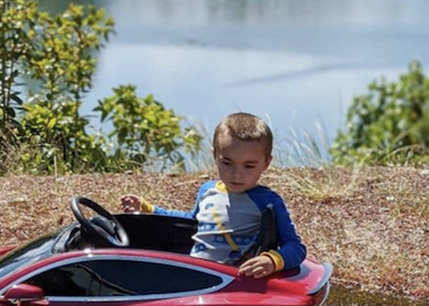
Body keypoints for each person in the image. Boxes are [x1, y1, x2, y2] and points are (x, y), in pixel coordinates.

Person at [121, 112, 305, 279]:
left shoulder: (268, 201)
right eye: (227, 163)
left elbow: (295, 247)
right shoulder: (207, 190)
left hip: (232, 281)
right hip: (196, 274)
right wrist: (150, 210)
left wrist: (273, 261)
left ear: (266, 163)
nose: (236, 174)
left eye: (249, 166)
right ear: (215, 155)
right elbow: (192, 221)